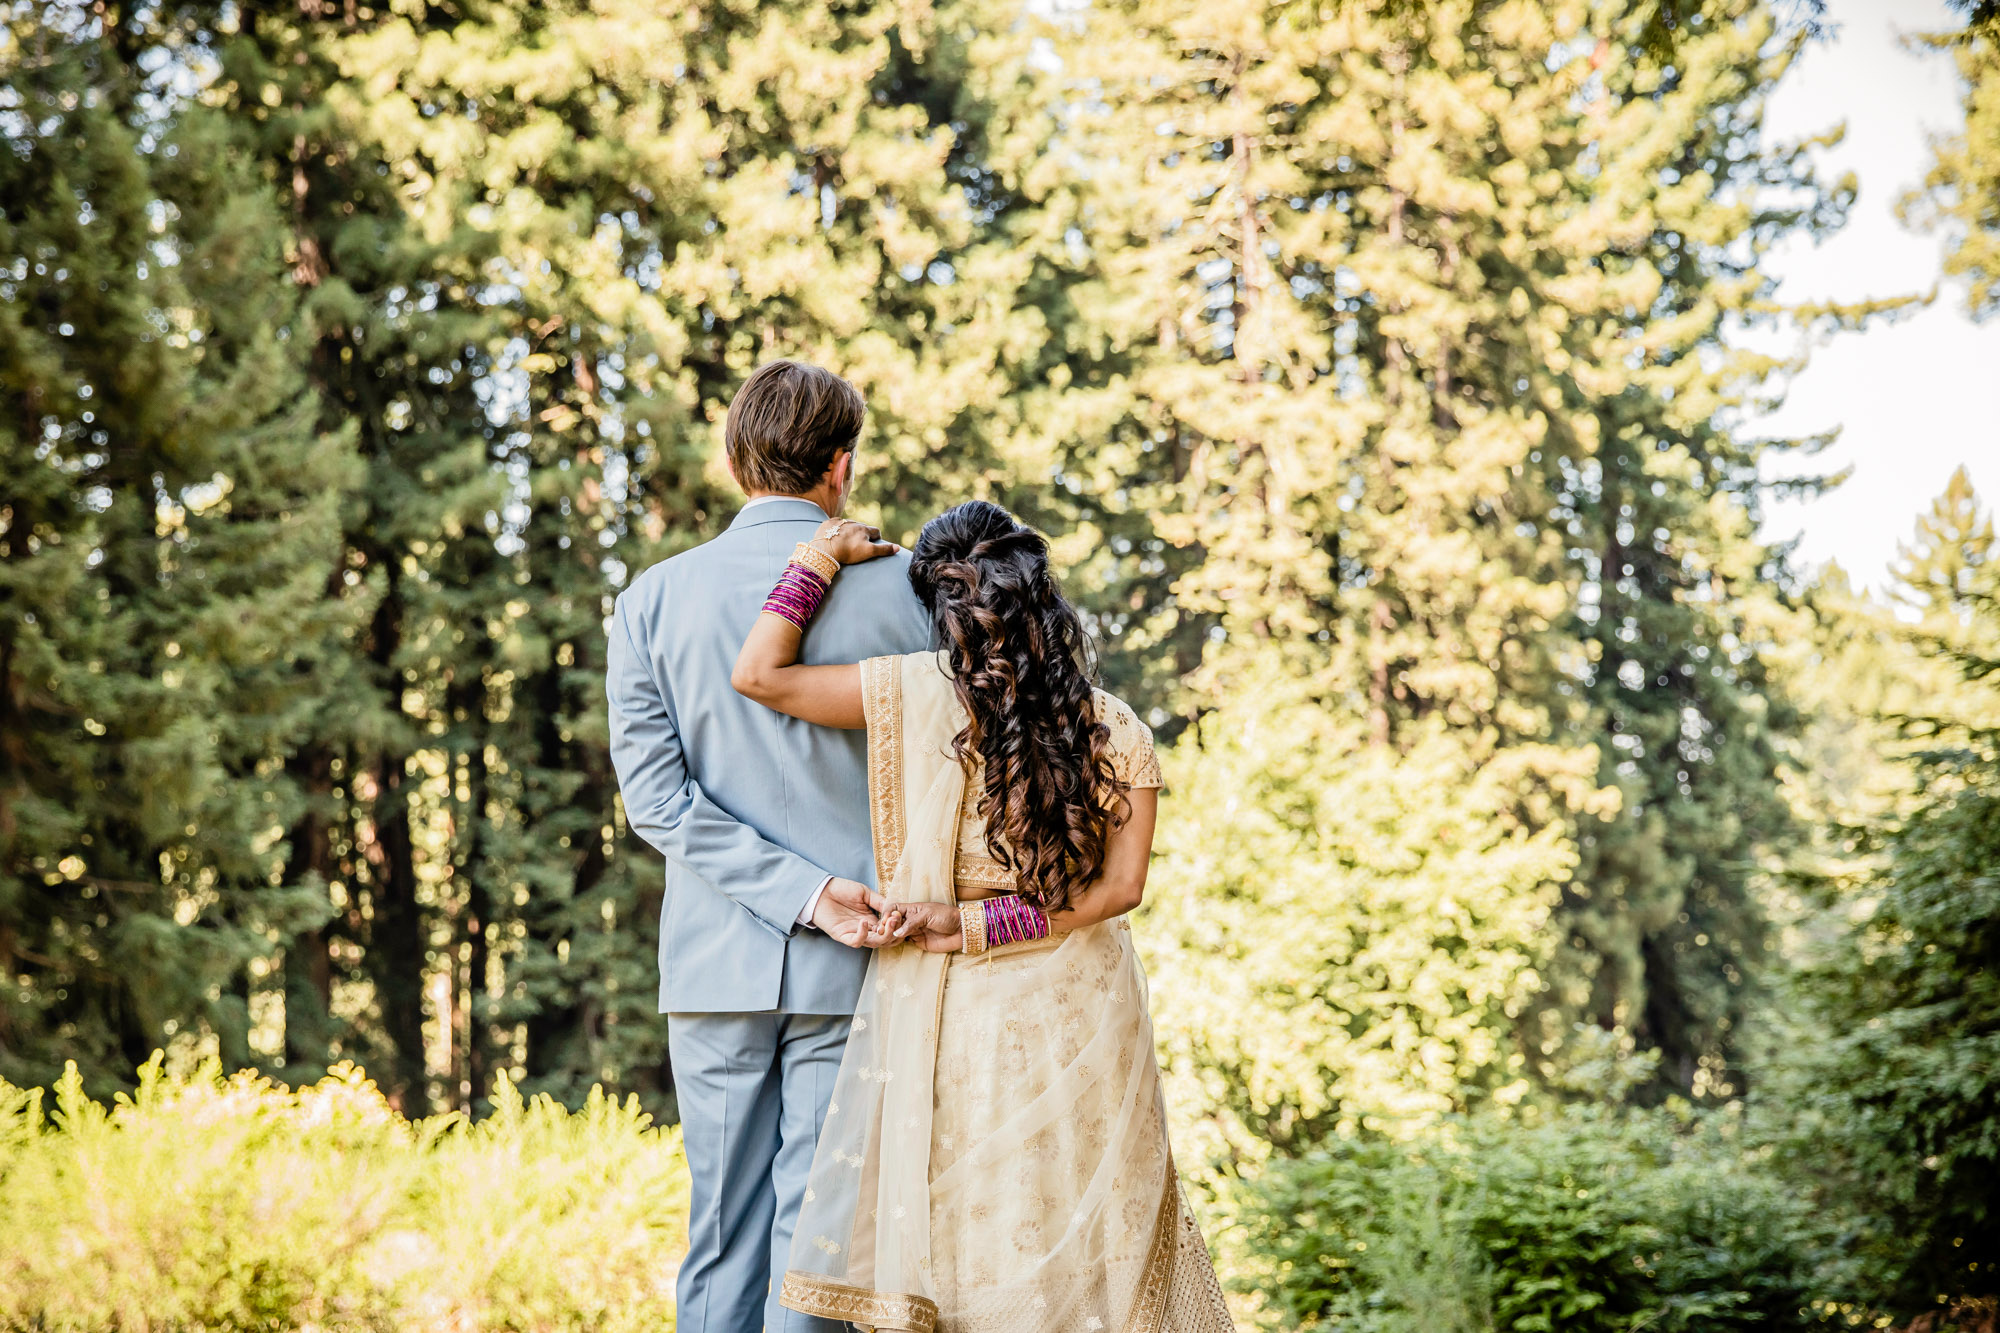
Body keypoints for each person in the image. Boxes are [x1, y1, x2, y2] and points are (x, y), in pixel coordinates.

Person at [732, 500, 1236, 1332]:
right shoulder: (1116, 727)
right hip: (1085, 1005)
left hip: (958, 1012)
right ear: (1044, 596)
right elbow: (1118, 891)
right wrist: (980, 925)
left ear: (941, 605)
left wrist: (817, 558)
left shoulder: (913, 697)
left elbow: (759, 675)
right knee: (1085, 1229)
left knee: (971, 1237)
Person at [605, 361, 927, 1333]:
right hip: (869, 957)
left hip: (713, 963)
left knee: (720, 1237)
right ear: (840, 464)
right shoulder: (913, 591)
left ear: (736, 461)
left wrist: (794, 888)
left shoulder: (650, 601)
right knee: (820, 1243)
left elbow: (655, 800)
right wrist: (836, 892)